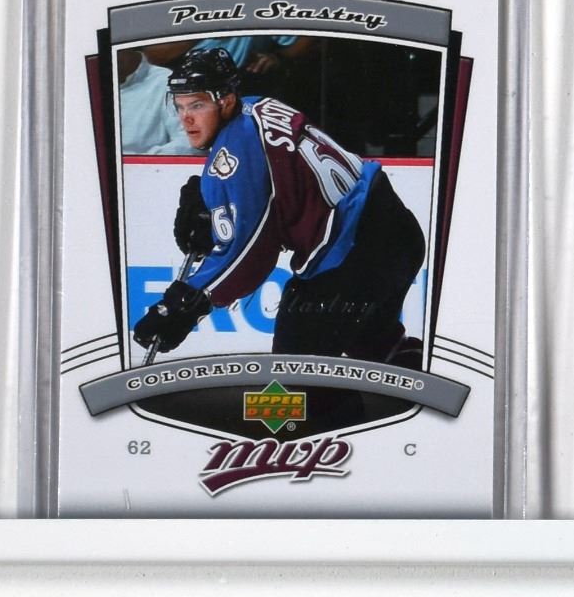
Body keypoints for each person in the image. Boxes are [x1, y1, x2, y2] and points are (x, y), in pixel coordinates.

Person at [130, 48, 425, 365]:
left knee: (293, 369)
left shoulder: (233, 157)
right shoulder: (259, 105)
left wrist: (185, 304)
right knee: (371, 341)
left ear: (226, 100)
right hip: (396, 230)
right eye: (180, 106)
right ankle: (412, 368)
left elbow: (249, 252)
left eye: (197, 105)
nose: (186, 118)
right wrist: (212, 199)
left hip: (356, 255)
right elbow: (277, 174)